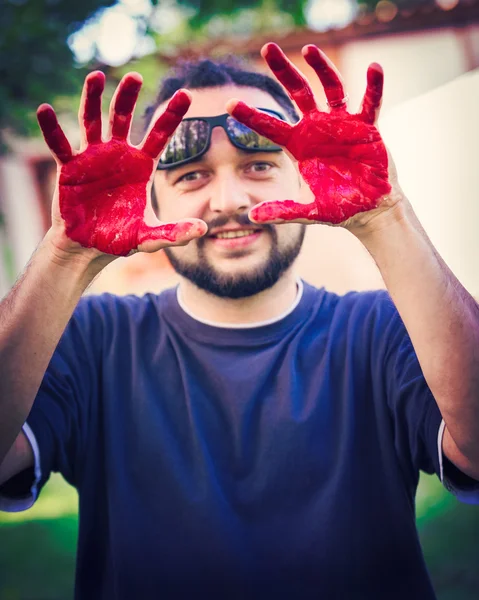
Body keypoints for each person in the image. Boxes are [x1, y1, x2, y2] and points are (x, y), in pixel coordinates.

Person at [0, 42, 478, 599]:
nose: (229, 199)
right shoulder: (90, 339)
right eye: (191, 176)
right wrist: (66, 255)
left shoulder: (386, 330)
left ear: (302, 179)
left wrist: (386, 216)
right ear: (150, 200)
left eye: (258, 165)